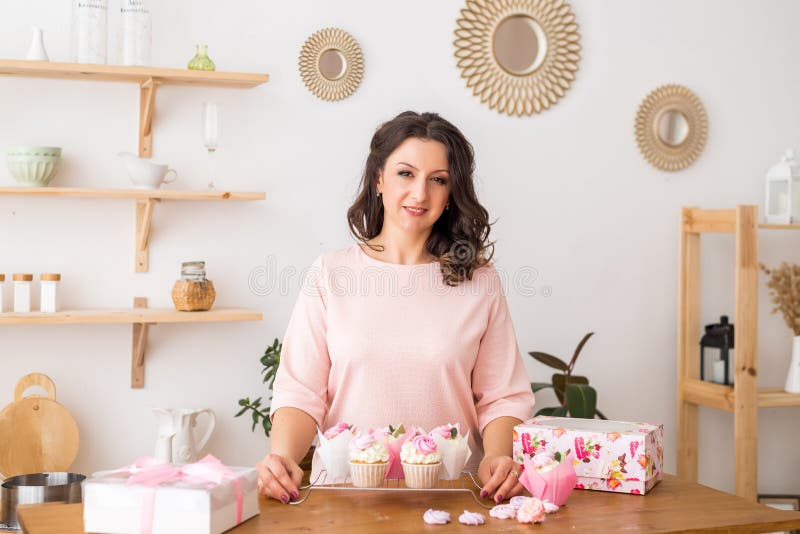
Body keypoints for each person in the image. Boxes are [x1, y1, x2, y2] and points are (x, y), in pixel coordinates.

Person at [257, 111, 535, 505]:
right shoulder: (331, 274)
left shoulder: (480, 281)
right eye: (406, 173)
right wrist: (283, 456)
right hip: (342, 502)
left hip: (453, 498)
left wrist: (497, 455)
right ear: (378, 179)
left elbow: (502, 397)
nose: (420, 194)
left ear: (452, 191)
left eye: (437, 180)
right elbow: (301, 392)